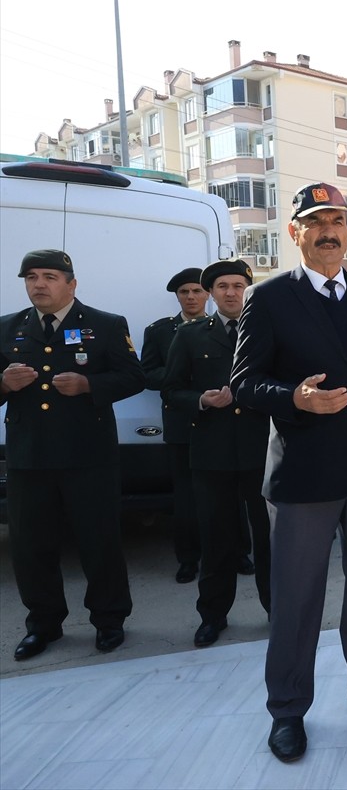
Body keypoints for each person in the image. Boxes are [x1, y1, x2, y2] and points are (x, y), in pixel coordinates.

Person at [231, 182, 347, 764]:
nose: (330, 230)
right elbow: (244, 382)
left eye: (337, 218)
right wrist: (295, 397)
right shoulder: (267, 300)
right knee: (297, 598)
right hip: (305, 474)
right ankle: (287, 708)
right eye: (316, 221)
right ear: (296, 233)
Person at [1, 249, 143, 660]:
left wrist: (89, 386)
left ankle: (109, 619)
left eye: (49, 276)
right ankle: (43, 624)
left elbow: (134, 377)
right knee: (30, 546)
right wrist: (5, 384)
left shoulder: (105, 325)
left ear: (71, 283)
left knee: (99, 541)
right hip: (30, 457)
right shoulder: (7, 328)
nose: (39, 284)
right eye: (31, 277)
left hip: (88, 455)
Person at [162, 260, 270, 649]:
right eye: (222, 286)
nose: (231, 292)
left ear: (248, 288)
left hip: (262, 451)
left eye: (238, 284)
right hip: (212, 454)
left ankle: (278, 611)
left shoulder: (268, 331)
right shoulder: (190, 336)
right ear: (211, 292)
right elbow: (171, 390)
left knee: (270, 539)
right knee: (216, 541)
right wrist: (201, 401)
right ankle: (212, 616)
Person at [141, 267, 208, 584]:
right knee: (185, 496)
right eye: (185, 292)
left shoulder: (224, 328)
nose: (191, 297)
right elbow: (146, 373)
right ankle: (188, 559)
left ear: (207, 294)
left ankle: (237, 552)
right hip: (181, 421)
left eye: (197, 291)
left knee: (230, 494)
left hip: (220, 421)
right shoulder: (159, 331)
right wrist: (180, 380)